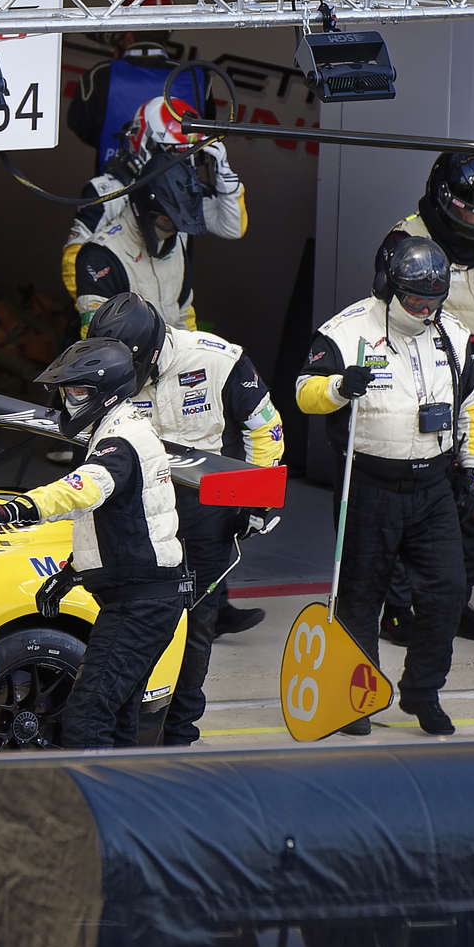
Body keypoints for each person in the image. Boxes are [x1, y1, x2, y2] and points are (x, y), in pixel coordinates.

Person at [297, 233, 474, 736]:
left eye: (433, 298)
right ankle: (357, 697)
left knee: (448, 592)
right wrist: (339, 386)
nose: (424, 308)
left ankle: (423, 691)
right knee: (362, 598)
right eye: (414, 298)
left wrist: (473, 467)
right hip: (369, 484)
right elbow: (303, 394)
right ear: (389, 286)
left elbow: (471, 405)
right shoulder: (346, 331)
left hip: (432, 486)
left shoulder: (454, 334)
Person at [85, 291, 283, 746]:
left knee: (195, 623)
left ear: (150, 351)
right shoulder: (102, 364)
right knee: (129, 617)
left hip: (203, 512)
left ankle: (179, 731)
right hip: (135, 507)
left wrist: (260, 498)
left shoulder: (219, 359)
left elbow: (265, 426)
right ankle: (127, 724)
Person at [2, 338, 185, 749]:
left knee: (88, 717)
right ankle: (121, 805)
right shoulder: (119, 429)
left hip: (141, 604)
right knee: (118, 719)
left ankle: (93, 808)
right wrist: (71, 573)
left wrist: (21, 508)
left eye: (79, 392)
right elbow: (113, 523)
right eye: (66, 392)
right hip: (144, 597)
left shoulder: (117, 442)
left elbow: (84, 491)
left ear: (110, 391)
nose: (69, 402)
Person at [390, 152, 474, 644]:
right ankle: (399, 608)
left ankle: (455, 605)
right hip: (426, 383)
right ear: (445, 198)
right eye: (469, 211)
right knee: (418, 495)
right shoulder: (404, 241)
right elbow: (388, 320)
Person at [63, 96, 246, 329]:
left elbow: (232, 227)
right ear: (149, 145)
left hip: (166, 327)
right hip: (112, 330)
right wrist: (101, 316)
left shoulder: (184, 191)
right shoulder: (106, 190)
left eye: (190, 153)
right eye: (177, 153)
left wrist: (226, 174)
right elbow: (76, 262)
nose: (186, 162)